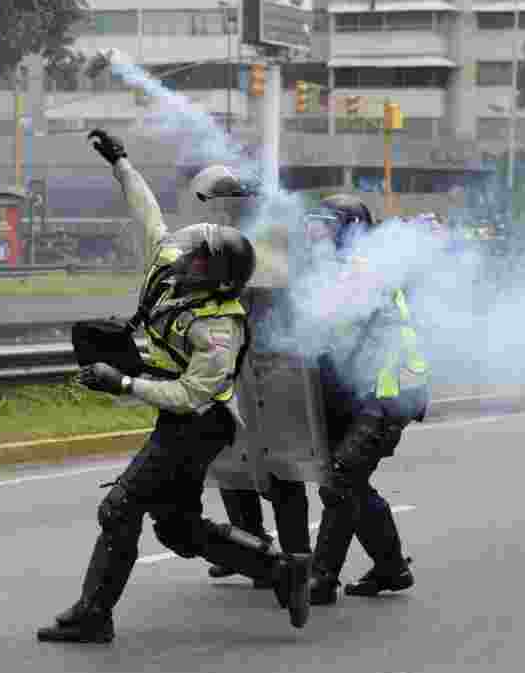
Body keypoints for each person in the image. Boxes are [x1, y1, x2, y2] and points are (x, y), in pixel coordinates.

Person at [37, 130, 313, 644]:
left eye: (198, 259)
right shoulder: (172, 266)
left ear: (218, 278)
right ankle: (280, 568)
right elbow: (146, 212)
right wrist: (121, 162)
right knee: (177, 527)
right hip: (180, 416)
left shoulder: (219, 328)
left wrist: (121, 382)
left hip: (201, 424)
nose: (183, 257)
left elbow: (191, 396)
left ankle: (94, 614)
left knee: (119, 508)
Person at [187, 166, 313, 588]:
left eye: (226, 203)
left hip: (271, 367)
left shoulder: (270, 241)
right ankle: (250, 549)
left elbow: (253, 299)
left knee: (279, 467)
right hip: (232, 367)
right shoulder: (225, 241)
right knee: (229, 459)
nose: (220, 211)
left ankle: (297, 556)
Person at [303, 195, 430, 606]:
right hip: (363, 390)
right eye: (315, 224)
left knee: (340, 480)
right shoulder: (334, 270)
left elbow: (329, 320)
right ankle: (392, 568)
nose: (317, 233)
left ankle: (320, 579)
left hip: (390, 394)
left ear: (349, 230)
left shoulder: (366, 269)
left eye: (327, 226)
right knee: (351, 482)